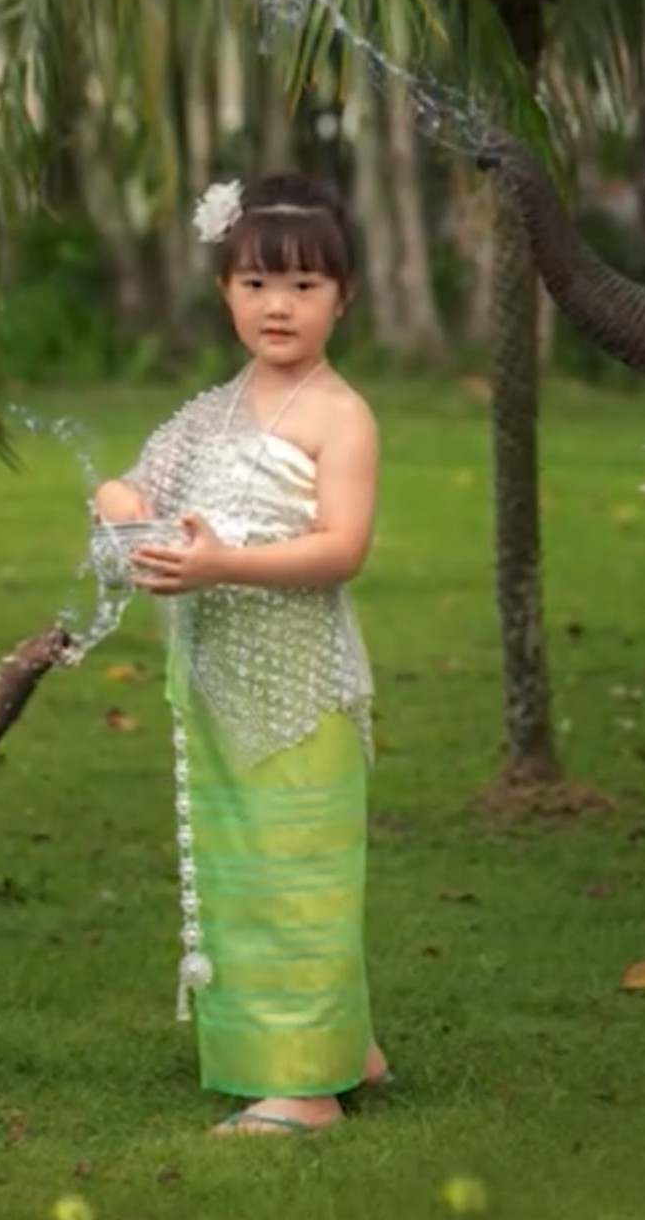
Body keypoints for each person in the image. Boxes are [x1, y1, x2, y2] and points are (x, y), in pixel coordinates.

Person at [90, 171, 391, 1137]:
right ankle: (344, 1046)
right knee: (244, 868)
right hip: (221, 681)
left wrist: (224, 562)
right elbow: (140, 482)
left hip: (298, 685)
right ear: (225, 291)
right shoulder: (213, 409)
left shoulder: (338, 414)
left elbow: (343, 547)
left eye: (306, 285)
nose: (280, 305)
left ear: (343, 296)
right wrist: (119, 503)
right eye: (259, 283)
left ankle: (304, 1086)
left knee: (297, 867)